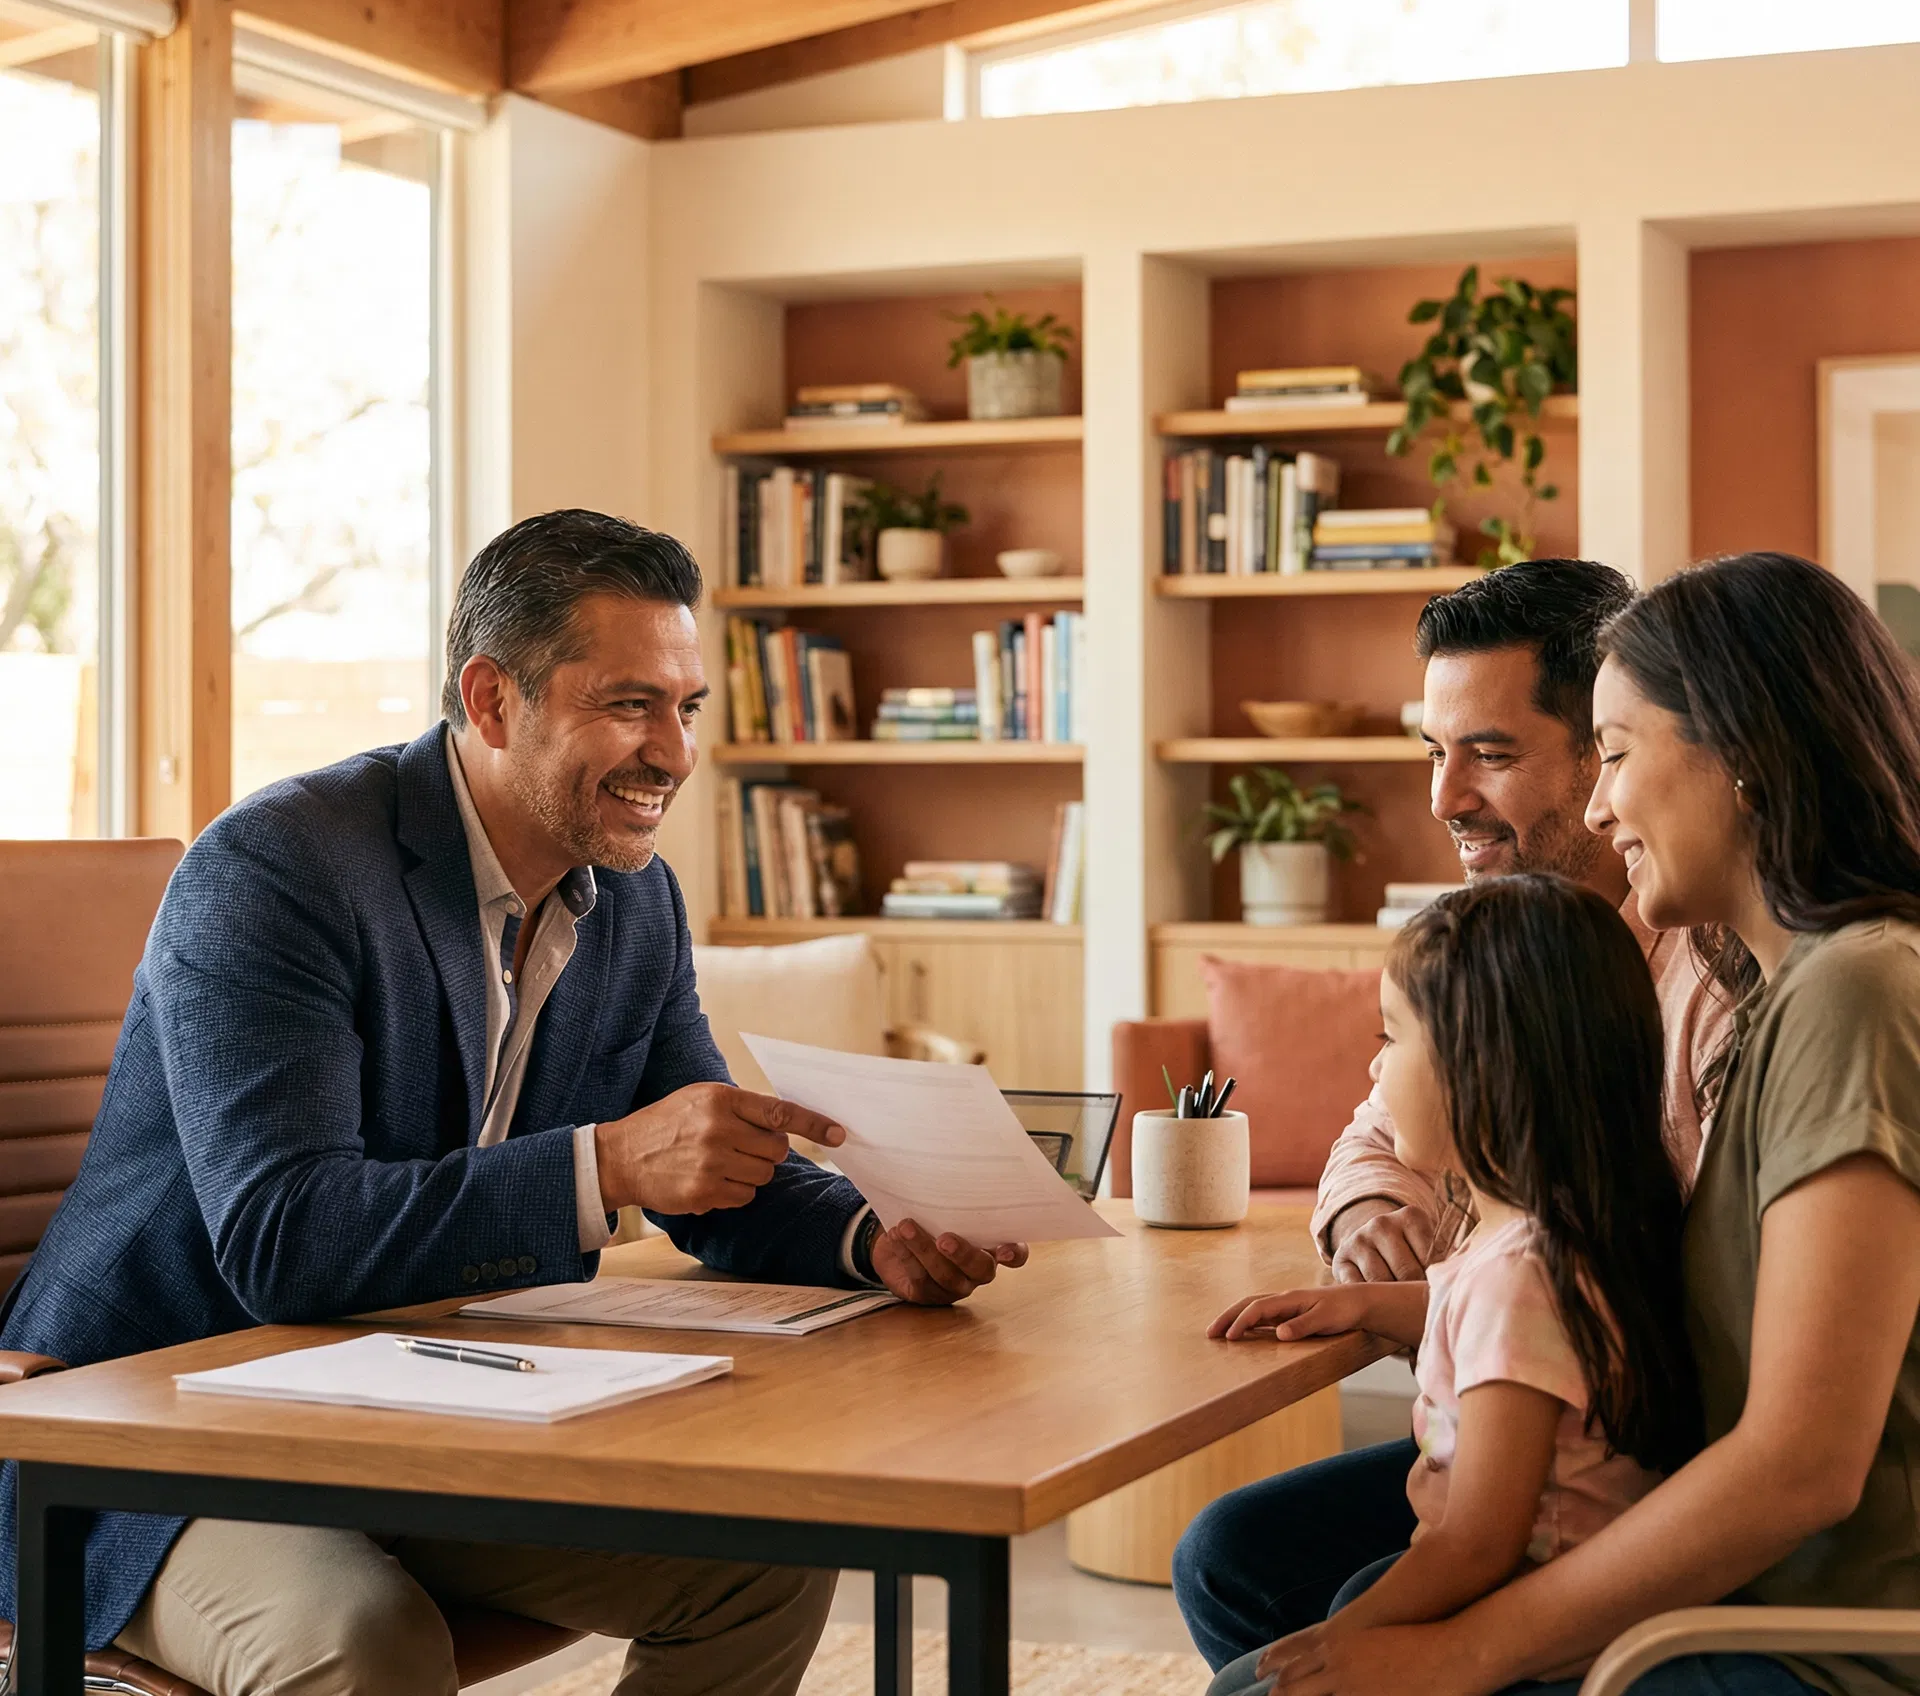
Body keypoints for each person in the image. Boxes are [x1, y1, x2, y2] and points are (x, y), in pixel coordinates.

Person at [0, 509, 1026, 1696]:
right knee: (366, 1639)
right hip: (149, 1422)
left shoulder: (633, 905)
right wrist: (607, 1166)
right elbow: (285, 1241)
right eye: (628, 704)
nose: (674, 754)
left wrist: (870, 1237)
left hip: (415, 1399)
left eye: (684, 708)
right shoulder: (280, 868)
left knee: (765, 1559)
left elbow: (703, 1163)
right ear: (492, 703)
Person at [1254, 551, 1920, 1696]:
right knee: (1259, 1568)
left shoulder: (1854, 991)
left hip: (1805, 1635)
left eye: (1615, 755)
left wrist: (1460, 1652)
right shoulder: (1791, 984)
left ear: (1744, 758)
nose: (1603, 803)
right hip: (1719, 1532)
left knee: (1322, 1630)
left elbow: (1803, 1469)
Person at [1184, 878, 1700, 1691]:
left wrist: (1341, 1642)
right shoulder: (1558, 1236)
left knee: (1269, 1666)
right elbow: (1510, 1338)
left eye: (1392, 1038)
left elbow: (1478, 1542)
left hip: (1532, 1608)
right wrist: (1367, 1302)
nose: (1374, 1065)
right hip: (1518, 1575)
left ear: (1482, 1068)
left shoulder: (1522, 1277)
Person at [1314, 559, 1728, 1284]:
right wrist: (1372, 1220)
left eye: (1491, 755)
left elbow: (1699, 1285)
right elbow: (1374, 1137)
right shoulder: (1494, 946)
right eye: (1437, 754)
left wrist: (1438, 1305)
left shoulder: (1714, 976)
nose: (1444, 800)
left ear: (1603, 751)